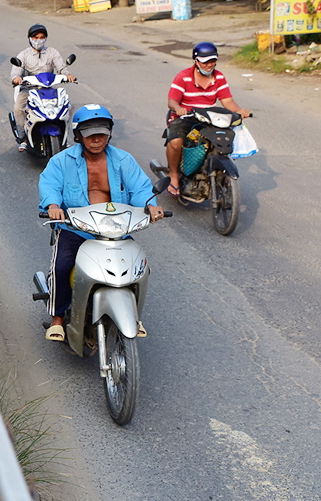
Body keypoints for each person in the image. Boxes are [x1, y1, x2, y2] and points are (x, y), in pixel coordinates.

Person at [38, 105, 164, 342]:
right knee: (61, 268)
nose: (96, 139)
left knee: (138, 268)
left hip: (115, 230)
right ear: (78, 136)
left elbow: (140, 188)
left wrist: (150, 205)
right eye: (90, 134)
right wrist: (53, 206)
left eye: (102, 133)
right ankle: (56, 319)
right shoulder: (62, 161)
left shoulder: (123, 160)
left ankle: (133, 315)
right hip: (76, 229)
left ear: (109, 133)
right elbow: (50, 184)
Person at [165, 41, 250, 196]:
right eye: (205, 62)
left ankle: (220, 173)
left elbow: (227, 101)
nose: (209, 65)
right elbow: (172, 101)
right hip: (186, 117)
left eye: (213, 61)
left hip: (209, 118)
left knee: (224, 141)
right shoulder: (183, 76)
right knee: (176, 143)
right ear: (196, 61)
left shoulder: (218, 77)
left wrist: (239, 111)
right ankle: (173, 175)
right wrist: (178, 109)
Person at [11, 23, 75, 151]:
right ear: (30, 38)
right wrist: (16, 79)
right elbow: (15, 73)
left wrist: (68, 75)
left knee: (67, 106)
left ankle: (64, 137)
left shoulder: (52, 52)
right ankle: (23, 138)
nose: (38, 40)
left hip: (50, 89)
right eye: (36, 37)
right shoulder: (23, 55)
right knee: (18, 108)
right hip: (29, 90)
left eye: (41, 37)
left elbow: (61, 68)